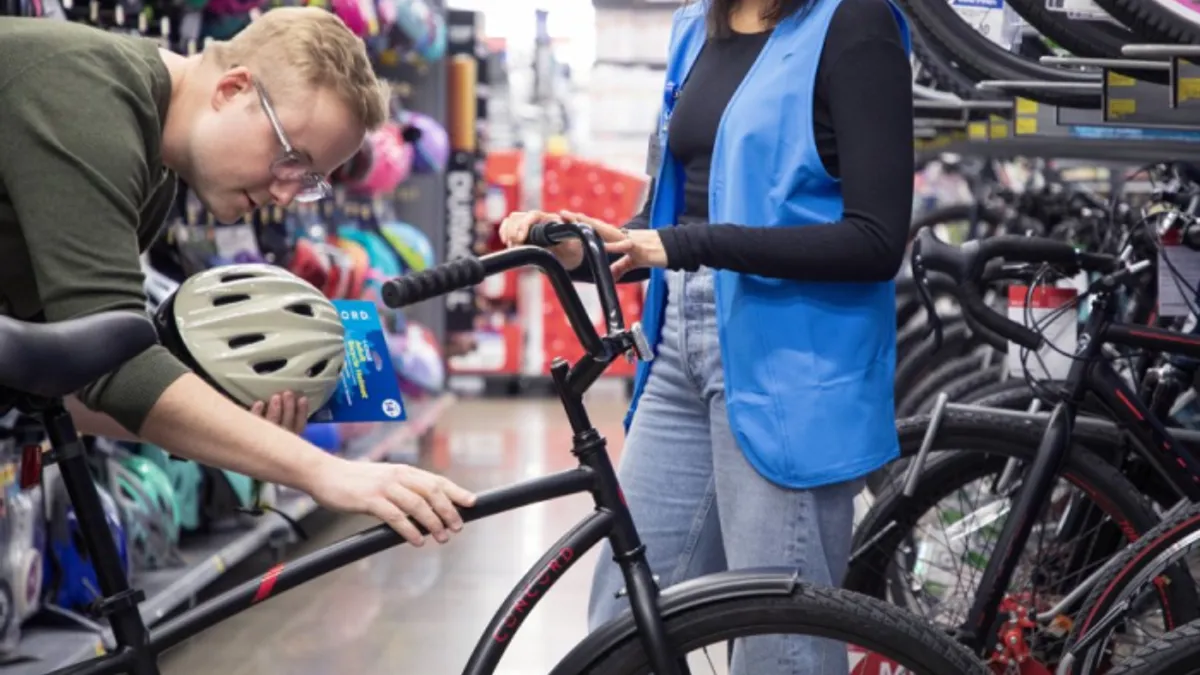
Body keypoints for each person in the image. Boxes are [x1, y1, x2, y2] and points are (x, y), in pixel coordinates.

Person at [500, 0, 913, 670]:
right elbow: (678, 208)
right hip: (676, 350)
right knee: (623, 622)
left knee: (779, 641)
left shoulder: (854, 23)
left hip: (787, 364)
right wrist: (590, 250)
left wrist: (685, 244)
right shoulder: (697, 25)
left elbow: (875, 239)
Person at [0, 8, 474, 548]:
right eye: (290, 159)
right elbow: (116, 372)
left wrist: (237, 432)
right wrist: (322, 471)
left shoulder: (152, 172)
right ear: (232, 89)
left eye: (310, 180)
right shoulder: (89, 102)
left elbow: (68, 375)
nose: (286, 194)